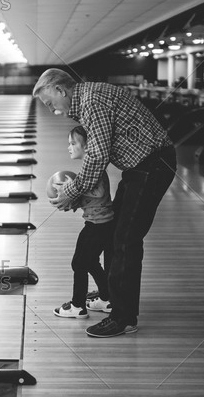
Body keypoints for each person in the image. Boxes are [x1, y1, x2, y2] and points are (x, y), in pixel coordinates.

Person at [33, 68, 176, 338]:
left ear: (60, 90)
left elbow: (97, 155)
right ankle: (111, 298)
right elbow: (96, 155)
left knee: (125, 241)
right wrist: (76, 195)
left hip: (152, 166)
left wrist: (70, 192)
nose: (51, 110)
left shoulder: (92, 102)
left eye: (50, 103)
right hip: (140, 168)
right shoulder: (89, 99)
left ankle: (123, 318)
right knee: (114, 234)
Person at [52, 126, 114, 319]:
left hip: (98, 225)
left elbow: (99, 193)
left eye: (73, 143)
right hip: (100, 224)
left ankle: (78, 306)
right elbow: (90, 198)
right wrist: (70, 202)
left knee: (79, 263)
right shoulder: (87, 169)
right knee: (90, 262)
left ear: (87, 147)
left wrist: (72, 187)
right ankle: (106, 298)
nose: (69, 147)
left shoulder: (94, 169)